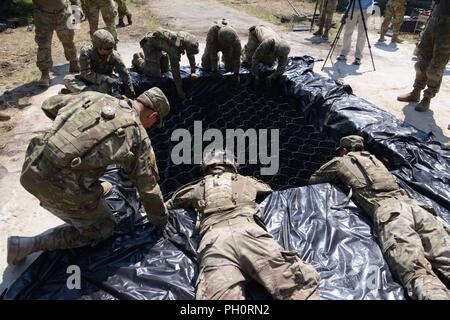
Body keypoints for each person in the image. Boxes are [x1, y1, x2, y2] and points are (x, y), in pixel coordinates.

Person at [7, 87, 171, 265]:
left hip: (32, 166)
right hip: (57, 186)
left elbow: (49, 105)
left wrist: (73, 133)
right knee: (104, 229)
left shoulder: (96, 97)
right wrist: (161, 221)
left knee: (94, 176)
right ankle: (29, 245)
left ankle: (90, 191)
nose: (153, 126)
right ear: (153, 115)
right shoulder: (138, 136)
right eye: (155, 122)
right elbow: (148, 189)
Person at [166, 149, 321, 300]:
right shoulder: (245, 181)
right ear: (232, 166)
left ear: (206, 168)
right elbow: (268, 190)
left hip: (215, 242)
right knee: (295, 285)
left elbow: (171, 203)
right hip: (251, 234)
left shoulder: (197, 187)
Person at [309, 135, 450, 300]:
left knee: (416, 272)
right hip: (418, 208)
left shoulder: (341, 161)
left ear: (344, 150)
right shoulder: (377, 161)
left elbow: (314, 180)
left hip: (392, 214)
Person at [397, 0, 450, 112]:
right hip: (433, 20)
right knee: (421, 62)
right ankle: (416, 92)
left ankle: (427, 97)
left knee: (436, 67)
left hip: (447, 28)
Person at [63, 29, 135, 98]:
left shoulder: (114, 55)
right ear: (97, 47)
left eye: (111, 48)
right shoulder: (86, 53)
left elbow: (125, 75)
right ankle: (87, 94)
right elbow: (86, 74)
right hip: (88, 80)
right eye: (107, 49)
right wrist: (104, 78)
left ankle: (80, 95)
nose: (110, 51)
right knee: (68, 79)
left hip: (103, 84)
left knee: (107, 87)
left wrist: (130, 94)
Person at [132, 29, 200, 99]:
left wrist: (193, 71)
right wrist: (180, 91)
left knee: (165, 69)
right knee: (154, 74)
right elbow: (175, 71)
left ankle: (146, 58)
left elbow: (191, 55)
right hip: (149, 44)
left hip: (159, 45)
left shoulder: (188, 40)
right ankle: (137, 60)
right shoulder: (174, 49)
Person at [32, 0, 81, 87]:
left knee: (68, 38)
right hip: (42, 14)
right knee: (43, 44)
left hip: (63, 11)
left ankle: (73, 62)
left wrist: (75, 7)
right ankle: (45, 73)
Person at [201, 19, 241, 85]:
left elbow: (237, 56)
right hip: (214, 44)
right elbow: (212, 53)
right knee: (207, 65)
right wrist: (214, 70)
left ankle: (225, 59)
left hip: (227, 47)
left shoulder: (234, 38)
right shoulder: (212, 32)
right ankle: (218, 59)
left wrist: (236, 73)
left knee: (230, 68)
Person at [336, 0, 374, 65]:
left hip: (367, 7)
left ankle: (358, 57)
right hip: (352, 6)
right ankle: (343, 53)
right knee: (348, 31)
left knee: (362, 33)